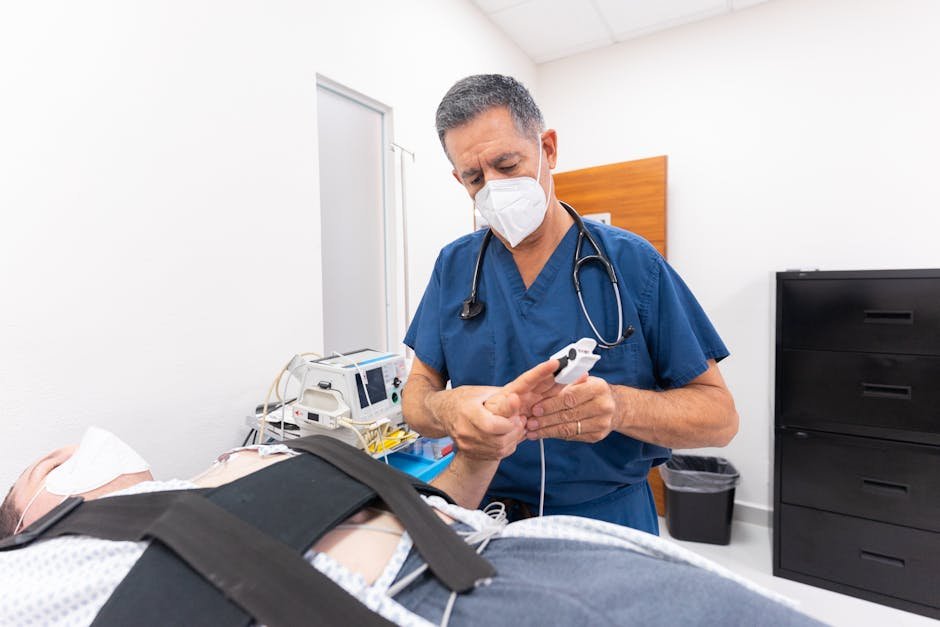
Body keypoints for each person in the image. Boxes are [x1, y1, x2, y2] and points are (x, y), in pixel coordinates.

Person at [0, 424, 817, 626]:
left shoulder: (232, 462)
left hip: (518, 554)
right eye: (49, 459)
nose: (75, 450)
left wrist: (478, 448)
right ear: (32, 512)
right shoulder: (36, 567)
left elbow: (439, 500)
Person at [402, 74, 738, 531]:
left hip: (608, 519)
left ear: (549, 149)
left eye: (507, 164)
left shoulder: (631, 263)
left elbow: (720, 418)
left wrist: (621, 408)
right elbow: (416, 398)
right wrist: (447, 408)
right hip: (485, 516)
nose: (493, 188)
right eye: (474, 177)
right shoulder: (456, 266)